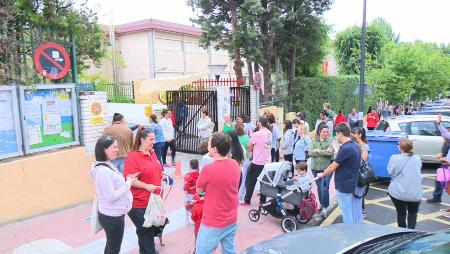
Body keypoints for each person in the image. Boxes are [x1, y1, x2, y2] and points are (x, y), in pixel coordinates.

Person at [89, 136, 136, 254]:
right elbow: (110, 197)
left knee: (111, 246)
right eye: (114, 147)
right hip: (112, 217)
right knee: (114, 249)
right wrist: (128, 184)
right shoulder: (103, 171)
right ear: (104, 150)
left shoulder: (106, 164)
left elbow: (113, 184)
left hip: (113, 215)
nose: (117, 150)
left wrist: (126, 180)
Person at [195, 132, 241, 254]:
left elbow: (198, 190)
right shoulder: (235, 164)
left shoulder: (208, 169)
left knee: (202, 250)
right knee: (229, 249)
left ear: (214, 149)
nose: (207, 146)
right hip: (231, 217)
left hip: (213, 220)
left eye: (209, 144)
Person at [123, 127, 163, 254]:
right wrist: (147, 186)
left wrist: (162, 174)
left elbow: (155, 168)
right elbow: (130, 180)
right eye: (151, 139)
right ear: (142, 140)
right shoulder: (133, 157)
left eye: (154, 139)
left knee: (148, 232)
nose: (154, 142)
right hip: (139, 204)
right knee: (146, 232)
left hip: (153, 201)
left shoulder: (152, 153)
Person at [318, 123, 361, 224]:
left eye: (336, 134)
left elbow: (333, 166)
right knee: (347, 209)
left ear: (340, 134)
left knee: (346, 211)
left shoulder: (345, 149)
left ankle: (348, 232)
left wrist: (323, 174)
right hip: (351, 182)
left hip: (344, 184)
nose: (336, 137)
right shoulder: (354, 145)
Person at [387, 139, 422, 229]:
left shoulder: (394, 158)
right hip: (414, 193)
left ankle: (402, 233)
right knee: (413, 213)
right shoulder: (417, 158)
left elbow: (391, 172)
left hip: (398, 192)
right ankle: (411, 233)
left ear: (400, 148)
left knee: (401, 213)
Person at [242, 116, 272, 206]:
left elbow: (248, 144)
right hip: (267, 161)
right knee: (264, 182)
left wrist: (253, 147)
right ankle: (263, 200)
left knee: (250, 181)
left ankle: (247, 200)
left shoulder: (257, 134)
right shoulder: (269, 133)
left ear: (259, 123)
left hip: (257, 161)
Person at [309, 123, 333, 216]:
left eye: (327, 132)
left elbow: (330, 153)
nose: (325, 134)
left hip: (327, 168)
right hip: (315, 168)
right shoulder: (313, 140)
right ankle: (322, 205)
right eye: (323, 132)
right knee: (319, 187)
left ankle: (325, 208)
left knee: (324, 188)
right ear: (319, 132)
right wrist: (324, 152)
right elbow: (310, 152)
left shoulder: (331, 140)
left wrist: (318, 151)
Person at [351, 127, 370, 223]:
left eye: (354, 133)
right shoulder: (355, 144)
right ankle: (356, 213)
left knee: (359, 193)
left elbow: (363, 160)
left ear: (360, 134)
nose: (352, 134)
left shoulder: (364, 146)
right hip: (354, 172)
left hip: (361, 173)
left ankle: (361, 212)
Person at [236, 124, 250, 202]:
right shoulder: (247, 137)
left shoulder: (235, 138)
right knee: (244, 178)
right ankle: (240, 196)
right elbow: (249, 146)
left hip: (237, 159)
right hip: (246, 159)